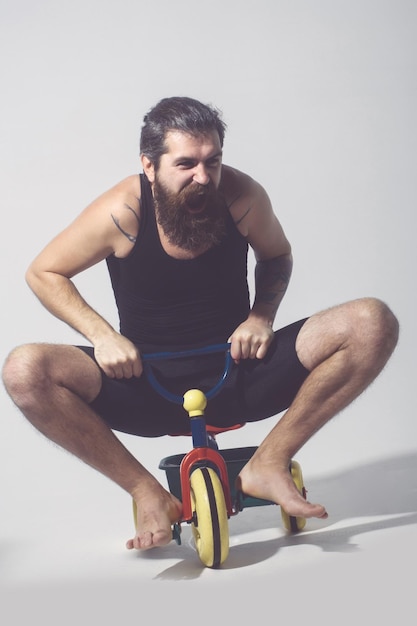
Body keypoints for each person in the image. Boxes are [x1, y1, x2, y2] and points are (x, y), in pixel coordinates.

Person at [2, 96, 399, 551]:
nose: (203, 177)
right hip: (145, 382)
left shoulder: (240, 196)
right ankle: (146, 491)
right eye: (186, 164)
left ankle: (270, 461)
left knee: (372, 321)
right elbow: (44, 271)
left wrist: (260, 317)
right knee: (24, 369)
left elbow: (276, 254)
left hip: (240, 370)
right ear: (149, 166)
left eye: (213, 161)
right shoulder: (123, 210)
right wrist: (102, 335)